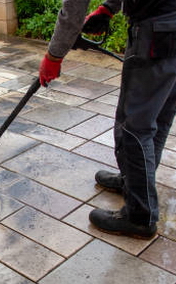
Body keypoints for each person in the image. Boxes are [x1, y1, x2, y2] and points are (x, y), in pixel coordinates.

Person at [39, 0, 176, 239]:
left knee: (134, 128)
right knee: (159, 115)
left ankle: (140, 216)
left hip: (158, 32)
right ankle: (134, 184)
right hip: (168, 26)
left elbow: (73, 9)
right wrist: (109, 8)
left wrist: (54, 55)